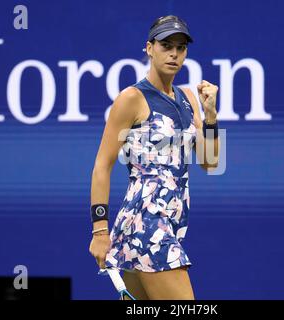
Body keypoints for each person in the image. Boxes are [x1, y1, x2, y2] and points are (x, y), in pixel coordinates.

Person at [89, 15, 220, 300]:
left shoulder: (187, 98)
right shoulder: (131, 98)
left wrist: (210, 115)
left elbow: (210, 162)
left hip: (169, 223)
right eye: (166, 45)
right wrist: (100, 231)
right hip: (146, 223)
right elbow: (102, 165)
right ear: (149, 48)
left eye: (181, 47)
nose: (174, 53)